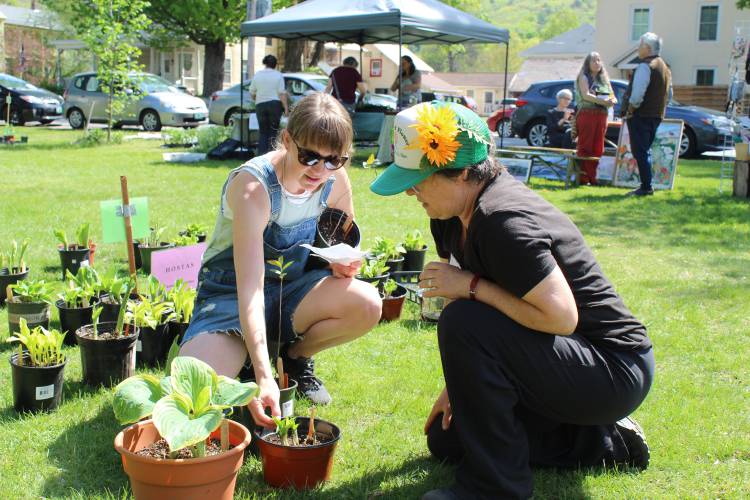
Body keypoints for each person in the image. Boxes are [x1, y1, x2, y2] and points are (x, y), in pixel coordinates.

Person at [370, 101, 654, 500]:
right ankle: (602, 443)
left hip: (612, 369)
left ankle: (494, 490)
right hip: (561, 359)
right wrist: (459, 388)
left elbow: (560, 317)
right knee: (445, 440)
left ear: (463, 173)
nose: (411, 191)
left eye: (419, 178)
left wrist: (469, 286)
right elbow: (467, 304)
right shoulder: (449, 215)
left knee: (464, 321)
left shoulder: (504, 221)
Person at [180, 93, 382, 425]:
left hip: (293, 289)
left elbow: (341, 236)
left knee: (368, 304)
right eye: (310, 156)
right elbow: (251, 291)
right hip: (231, 296)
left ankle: (294, 357)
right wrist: (263, 377)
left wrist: (340, 261)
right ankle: (250, 358)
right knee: (193, 394)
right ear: (287, 140)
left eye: (335, 159)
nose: (321, 170)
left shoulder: (334, 179)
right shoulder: (252, 189)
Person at [621, 32, 672, 196]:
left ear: (647, 48)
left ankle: (646, 187)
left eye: (640, 45)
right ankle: (646, 185)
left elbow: (637, 96)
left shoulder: (645, 65)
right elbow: (669, 95)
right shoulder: (665, 67)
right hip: (656, 115)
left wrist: (630, 109)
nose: (638, 48)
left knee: (640, 152)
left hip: (641, 115)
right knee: (645, 150)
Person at [574, 52, 617, 185]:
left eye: (599, 60)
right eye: (593, 60)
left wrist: (613, 101)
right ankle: (583, 177)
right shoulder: (583, 76)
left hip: (601, 115)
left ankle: (593, 177)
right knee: (585, 146)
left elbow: (612, 96)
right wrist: (603, 102)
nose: (597, 63)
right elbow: (586, 95)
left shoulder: (604, 78)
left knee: (598, 147)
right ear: (588, 63)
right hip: (587, 114)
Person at [249, 55, 289, 155]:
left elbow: (252, 92)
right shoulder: (278, 75)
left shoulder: (257, 75)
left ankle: (261, 155)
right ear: (275, 64)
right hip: (274, 105)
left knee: (263, 132)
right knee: (273, 132)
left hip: (260, 105)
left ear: (264, 63)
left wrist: (256, 98)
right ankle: (272, 156)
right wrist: (286, 107)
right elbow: (281, 93)